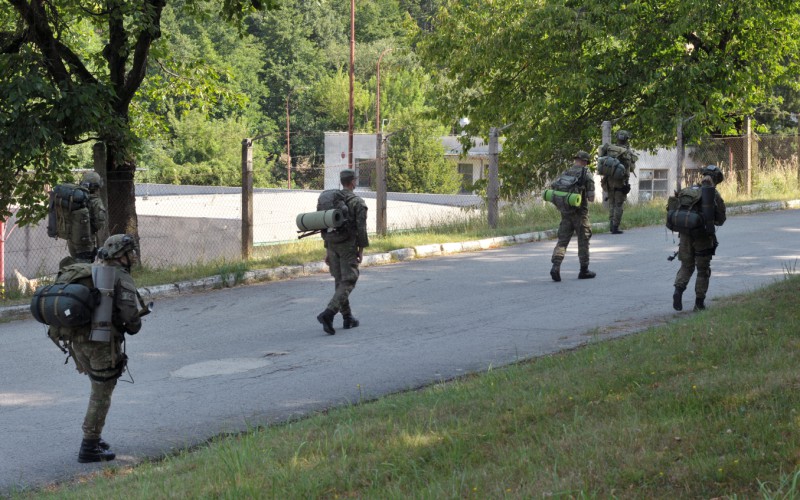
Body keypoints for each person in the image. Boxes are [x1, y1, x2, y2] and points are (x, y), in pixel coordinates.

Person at [49, 234, 143, 463]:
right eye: (130, 252)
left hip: (77, 344)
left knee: (97, 388)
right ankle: (89, 446)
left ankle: (95, 439)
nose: (133, 256)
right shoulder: (119, 276)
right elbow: (132, 319)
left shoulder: (91, 270)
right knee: (101, 394)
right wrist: (134, 324)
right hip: (101, 345)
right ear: (121, 255)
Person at [317, 169, 369, 335]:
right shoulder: (358, 203)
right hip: (348, 245)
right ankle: (329, 313)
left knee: (340, 280)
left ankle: (347, 318)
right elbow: (361, 229)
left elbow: (326, 224)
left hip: (332, 243)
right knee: (349, 279)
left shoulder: (333, 199)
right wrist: (361, 250)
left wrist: (327, 248)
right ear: (353, 181)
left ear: (342, 181)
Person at [672, 165, 727, 311]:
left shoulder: (688, 191)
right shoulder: (714, 195)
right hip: (703, 237)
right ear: (715, 180)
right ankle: (699, 303)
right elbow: (721, 219)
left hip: (685, 235)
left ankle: (678, 291)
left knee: (686, 266)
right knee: (703, 270)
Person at [550, 151, 596, 281]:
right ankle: (584, 270)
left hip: (565, 213)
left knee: (562, 241)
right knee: (583, 240)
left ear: (576, 160)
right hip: (580, 214)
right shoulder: (586, 173)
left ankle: (556, 266)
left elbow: (555, 188)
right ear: (585, 161)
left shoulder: (566, 172)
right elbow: (591, 198)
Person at [598, 130, 637, 234]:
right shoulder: (626, 151)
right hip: (620, 182)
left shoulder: (611, 149)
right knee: (618, 205)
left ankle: (611, 225)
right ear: (627, 138)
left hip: (609, 181)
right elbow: (632, 167)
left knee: (611, 204)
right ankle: (615, 227)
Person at [69, 171, 107, 262]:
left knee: (75, 266)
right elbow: (99, 224)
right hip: (86, 242)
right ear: (97, 186)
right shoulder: (96, 202)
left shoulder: (74, 199)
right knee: (85, 271)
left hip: (72, 239)